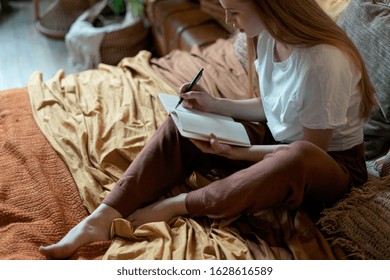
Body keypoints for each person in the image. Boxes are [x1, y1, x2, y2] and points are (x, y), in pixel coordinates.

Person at [39, 0, 377, 259]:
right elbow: (274, 106)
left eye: (234, 12)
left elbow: (310, 151)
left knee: (297, 156)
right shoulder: (270, 37)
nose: (229, 22)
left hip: (328, 166)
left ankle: (180, 205)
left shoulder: (322, 61)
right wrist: (213, 105)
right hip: (280, 143)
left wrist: (242, 153)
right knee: (182, 125)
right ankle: (104, 214)